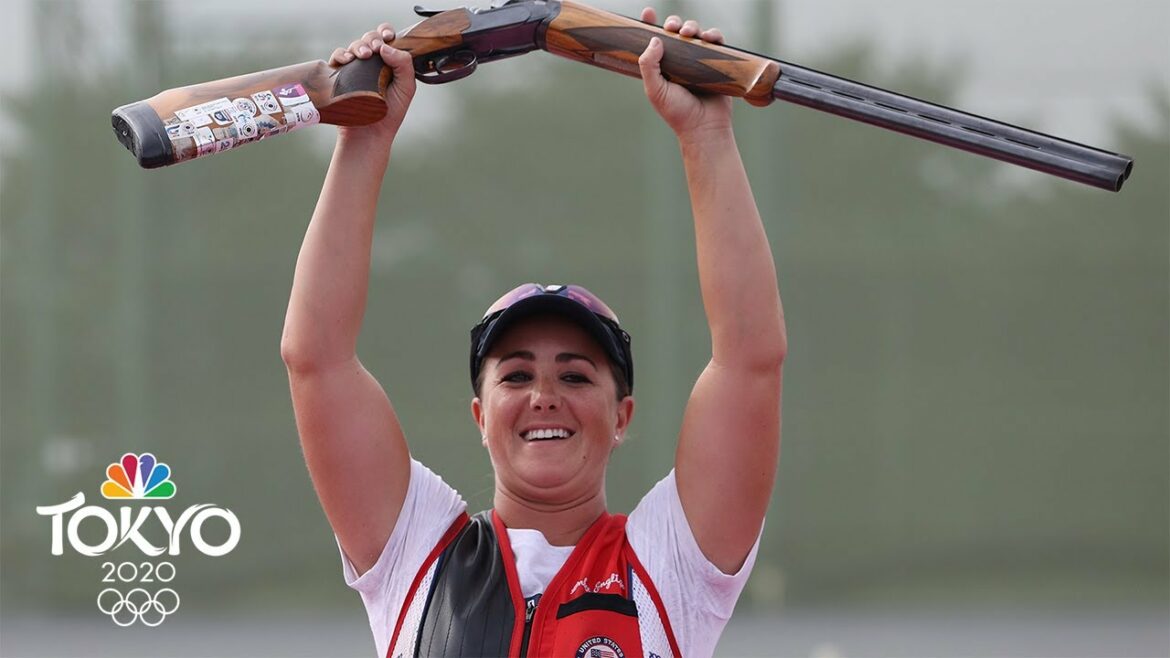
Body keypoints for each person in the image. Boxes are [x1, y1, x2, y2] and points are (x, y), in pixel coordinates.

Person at [280, 7, 787, 657]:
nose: (544, 394)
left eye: (575, 374)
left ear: (622, 414)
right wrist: (365, 136)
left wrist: (706, 135)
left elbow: (750, 359)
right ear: (480, 414)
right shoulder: (415, 552)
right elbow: (315, 359)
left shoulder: (674, 565)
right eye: (516, 374)